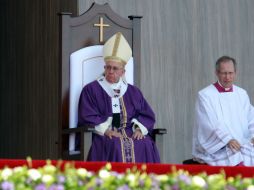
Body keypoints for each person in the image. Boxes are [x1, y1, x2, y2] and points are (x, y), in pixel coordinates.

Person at [78, 32, 160, 163]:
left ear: (123, 71)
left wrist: (139, 129)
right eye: (108, 67)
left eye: (115, 68)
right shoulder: (91, 89)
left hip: (129, 132)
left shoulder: (133, 92)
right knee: (116, 145)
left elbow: (147, 115)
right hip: (104, 135)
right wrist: (106, 130)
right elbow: (87, 116)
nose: (110, 71)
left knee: (145, 144)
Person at [192, 55, 254, 166]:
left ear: (235, 73)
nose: (227, 77)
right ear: (217, 73)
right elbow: (209, 124)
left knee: (246, 153)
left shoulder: (241, 94)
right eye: (224, 73)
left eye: (230, 73)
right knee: (236, 158)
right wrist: (227, 140)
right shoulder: (205, 95)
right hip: (218, 147)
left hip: (242, 142)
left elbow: (251, 118)